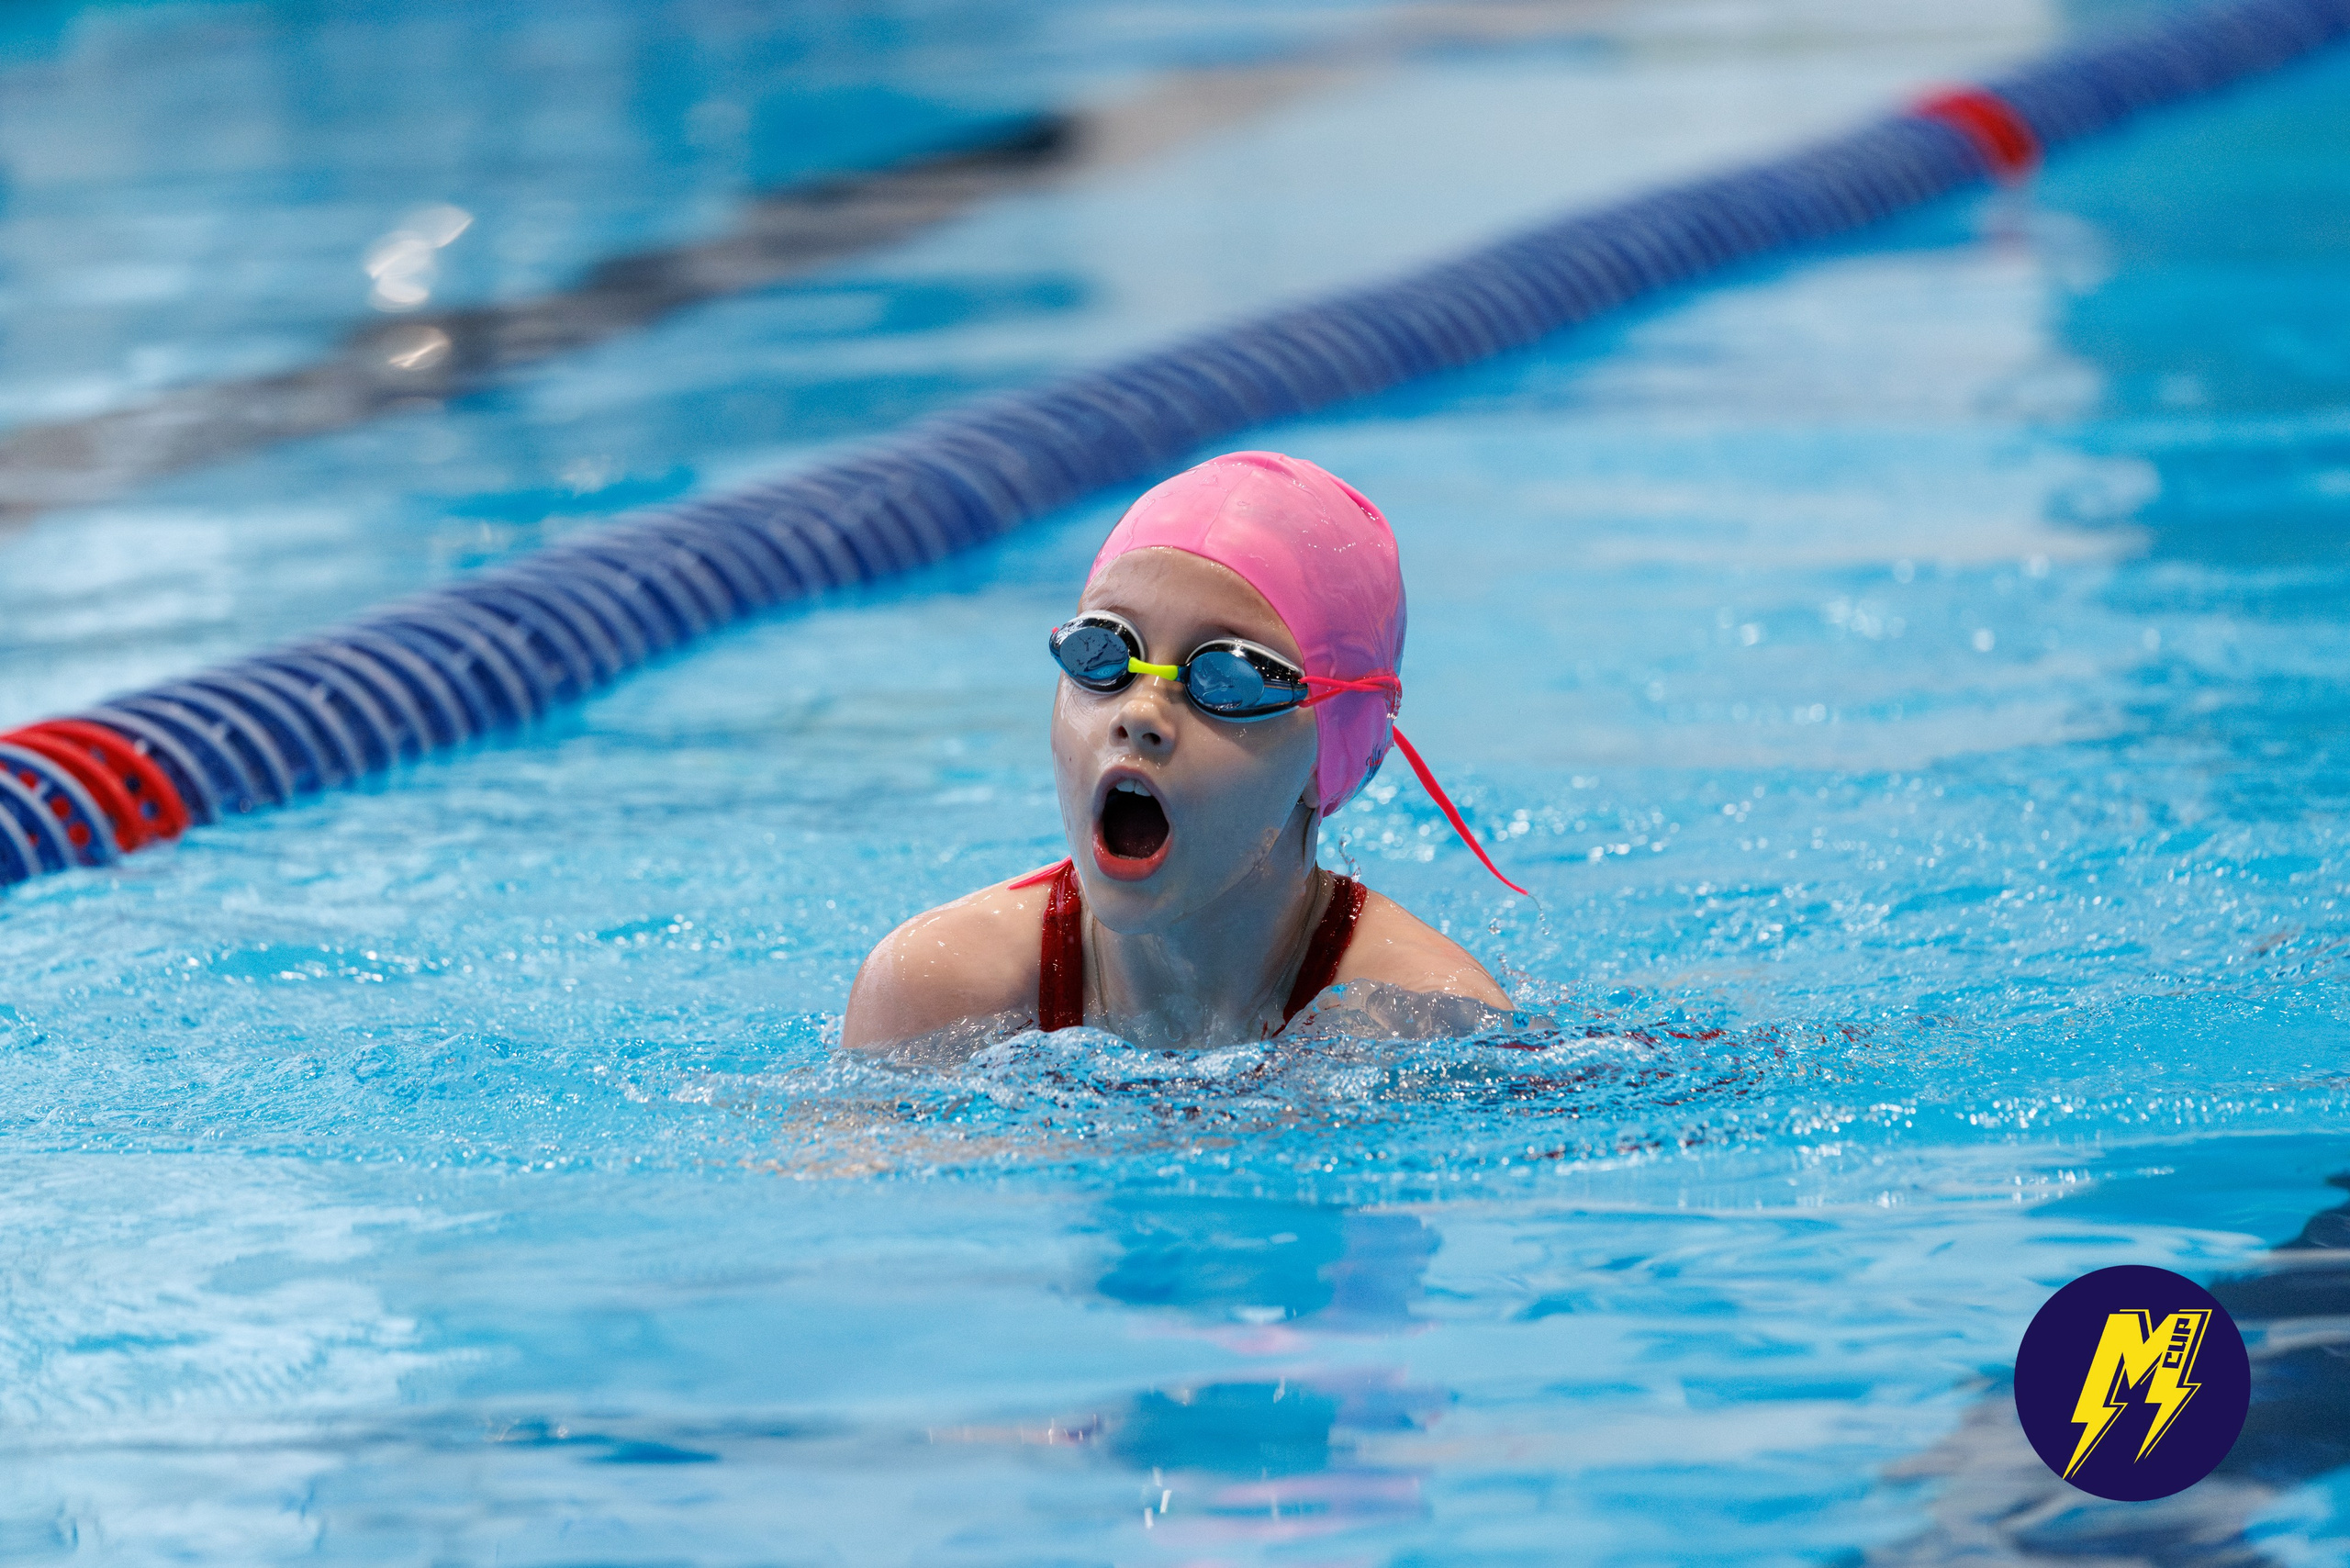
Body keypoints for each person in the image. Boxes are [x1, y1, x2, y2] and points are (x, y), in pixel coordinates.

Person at [843, 451, 1524, 1055]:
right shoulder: (931, 995)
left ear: (1337, 754)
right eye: (1104, 653)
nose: (1140, 714)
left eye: (1225, 677)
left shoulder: (1427, 1025)